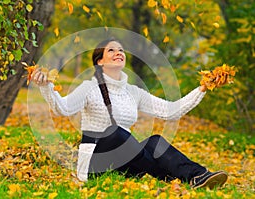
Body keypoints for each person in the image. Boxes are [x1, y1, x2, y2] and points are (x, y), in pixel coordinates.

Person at [31, 38, 228, 189]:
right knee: (116, 132)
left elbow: (171, 111)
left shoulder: (133, 92)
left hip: (127, 164)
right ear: (100, 61)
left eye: (121, 50)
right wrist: (46, 88)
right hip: (95, 164)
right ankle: (173, 178)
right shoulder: (89, 87)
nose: (118, 52)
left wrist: (203, 87)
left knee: (155, 141)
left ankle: (198, 176)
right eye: (111, 50)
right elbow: (62, 109)